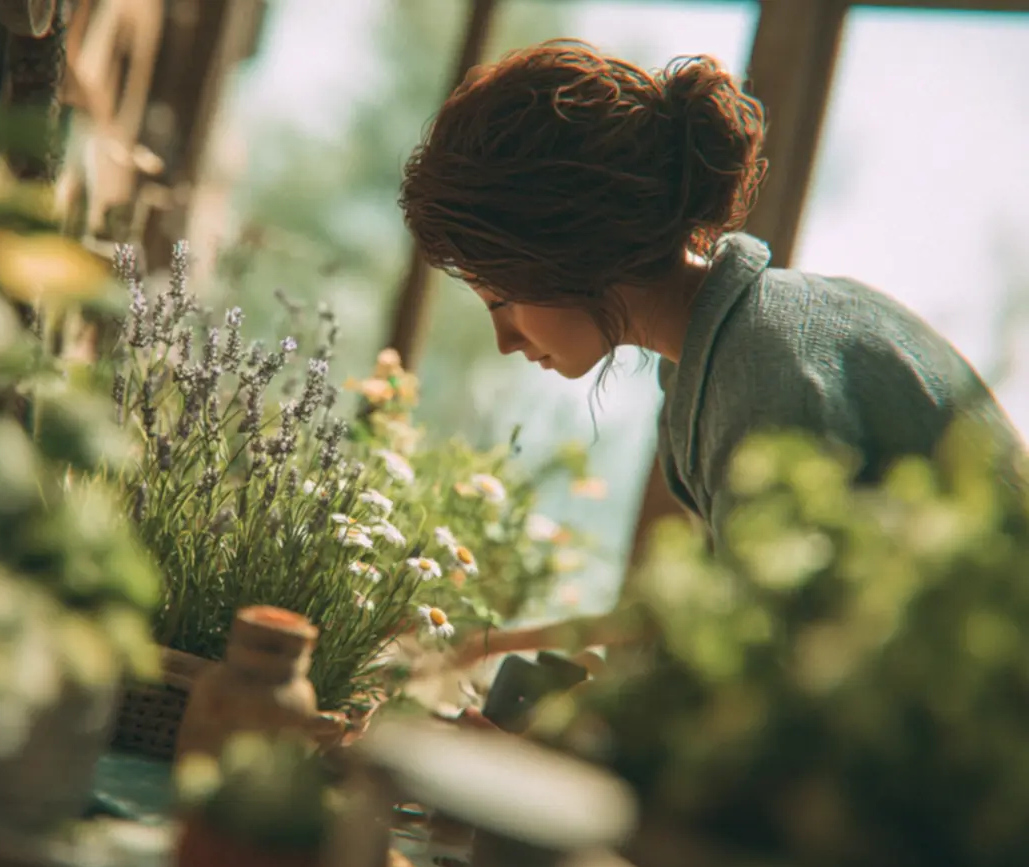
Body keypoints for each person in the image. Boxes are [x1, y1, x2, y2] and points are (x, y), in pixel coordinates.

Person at [399, 40, 1026, 665]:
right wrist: (492, 648)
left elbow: (770, 653)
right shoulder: (741, 344)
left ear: (569, 251)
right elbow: (723, 611)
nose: (505, 341)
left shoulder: (764, 375)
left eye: (503, 300)